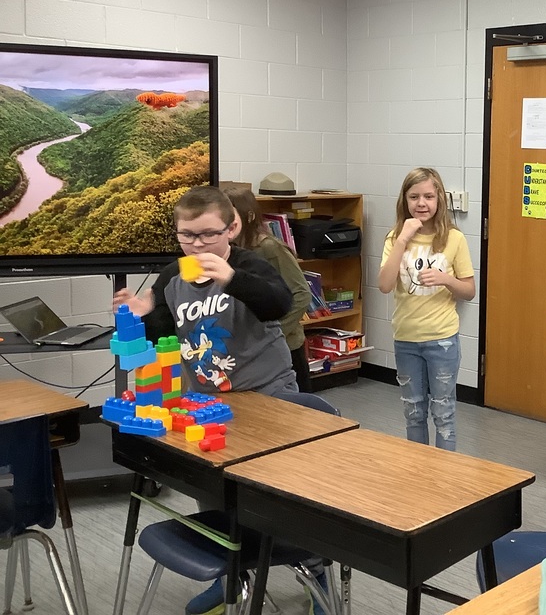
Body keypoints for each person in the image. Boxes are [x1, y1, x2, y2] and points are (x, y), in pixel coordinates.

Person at [112, 185, 328, 615]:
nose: (197, 245)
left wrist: (231, 278)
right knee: (214, 493)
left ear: (231, 228)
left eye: (208, 234)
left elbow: (279, 303)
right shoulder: (172, 275)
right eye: (187, 235)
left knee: (286, 494)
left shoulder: (251, 264)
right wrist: (141, 315)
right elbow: (164, 334)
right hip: (208, 401)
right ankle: (231, 574)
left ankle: (315, 571)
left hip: (268, 395)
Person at [378, 167, 475, 451]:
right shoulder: (394, 238)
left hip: (442, 340)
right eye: (414, 197)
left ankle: (444, 471)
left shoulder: (454, 238)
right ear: (405, 200)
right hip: (406, 339)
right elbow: (384, 285)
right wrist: (402, 240)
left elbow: (469, 291)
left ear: (439, 199)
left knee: (443, 413)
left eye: (429, 196)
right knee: (414, 412)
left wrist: (446, 279)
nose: (421, 203)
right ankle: (419, 470)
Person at [222, 184, 314, 392]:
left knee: (297, 407)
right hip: (249, 350)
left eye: (230, 215)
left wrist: (275, 333)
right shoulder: (228, 252)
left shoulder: (269, 248)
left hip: (285, 347)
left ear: (249, 216)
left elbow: (301, 293)